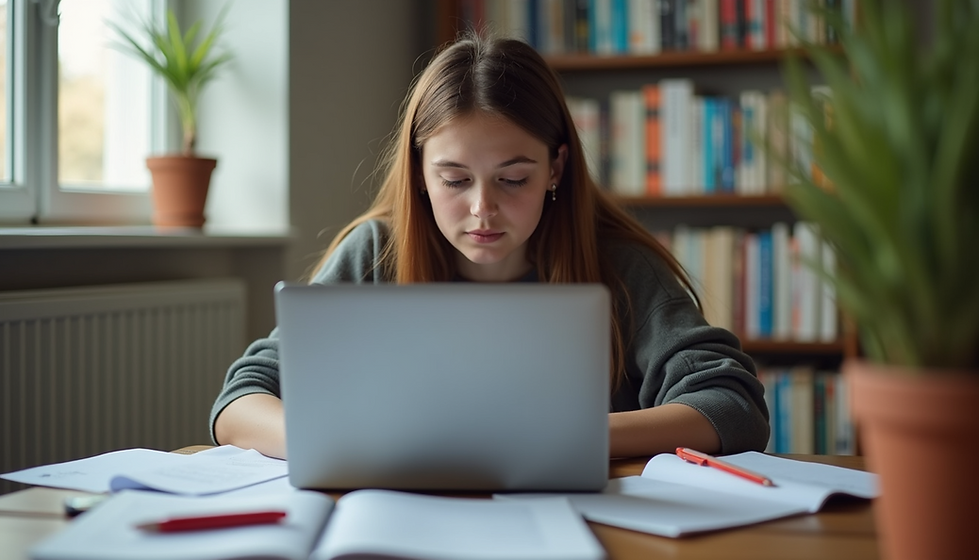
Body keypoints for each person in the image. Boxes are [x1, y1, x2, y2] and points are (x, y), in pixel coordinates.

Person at [211, 34, 770, 460]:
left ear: (555, 167)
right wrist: (336, 440)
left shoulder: (620, 266)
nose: (483, 208)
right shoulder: (376, 253)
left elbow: (733, 406)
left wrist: (559, 439)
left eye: (513, 178)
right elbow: (241, 399)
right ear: (420, 174)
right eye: (454, 180)